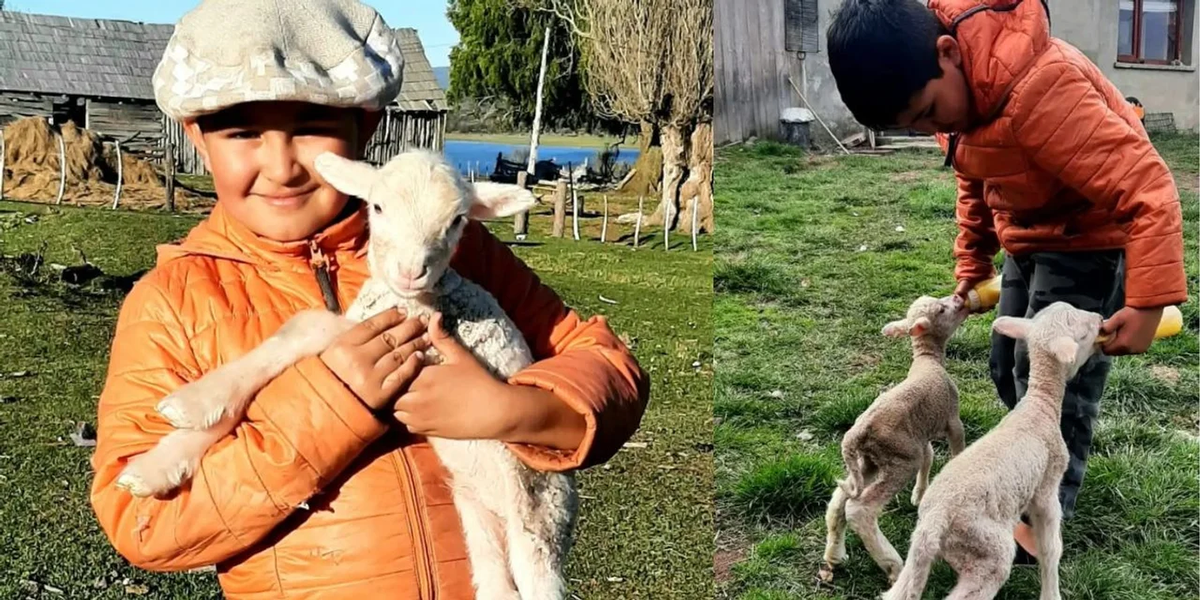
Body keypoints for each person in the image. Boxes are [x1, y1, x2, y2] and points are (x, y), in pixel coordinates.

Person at [89, 1, 649, 596]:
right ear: (196, 139)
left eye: (310, 126)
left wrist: (514, 413)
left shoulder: (461, 252)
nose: (281, 167)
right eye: (243, 131)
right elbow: (141, 521)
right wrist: (332, 407)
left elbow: (605, 363)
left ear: (366, 129)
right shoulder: (173, 300)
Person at [826, 0, 1186, 563]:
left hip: (1091, 239)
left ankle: (1043, 514)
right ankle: (1027, 458)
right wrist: (973, 266)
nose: (931, 129)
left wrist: (1146, 303)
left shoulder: (1042, 87)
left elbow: (1149, 189)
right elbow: (973, 181)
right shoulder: (956, 104)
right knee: (1005, 363)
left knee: (1052, 380)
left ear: (948, 54)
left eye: (927, 113)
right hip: (1029, 236)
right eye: (916, 126)